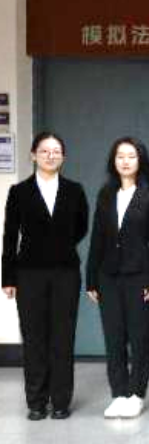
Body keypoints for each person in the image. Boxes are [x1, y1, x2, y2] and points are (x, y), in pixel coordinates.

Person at [2, 132, 89, 420]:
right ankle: (36, 402)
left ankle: (61, 400)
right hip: (29, 273)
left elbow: (81, 227)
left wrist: (58, 246)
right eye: (44, 150)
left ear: (63, 157)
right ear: (33, 155)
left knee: (63, 336)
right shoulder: (19, 192)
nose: (50, 155)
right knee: (34, 337)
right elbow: (9, 236)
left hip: (66, 272)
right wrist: (7, 277)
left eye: (56, 151)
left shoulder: (75, 190)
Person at [86, 137, 149, 419]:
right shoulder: (106, 194)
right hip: (108, 276)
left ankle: (136, 394)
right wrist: (91, 278)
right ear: (114, 161)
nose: (125, 161)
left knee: (140, 338)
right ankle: (118, 393)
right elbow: (97, 238)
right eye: (120, 156)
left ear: (140, 161)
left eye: (131, 156)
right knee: (114, 337)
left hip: (139, 276)